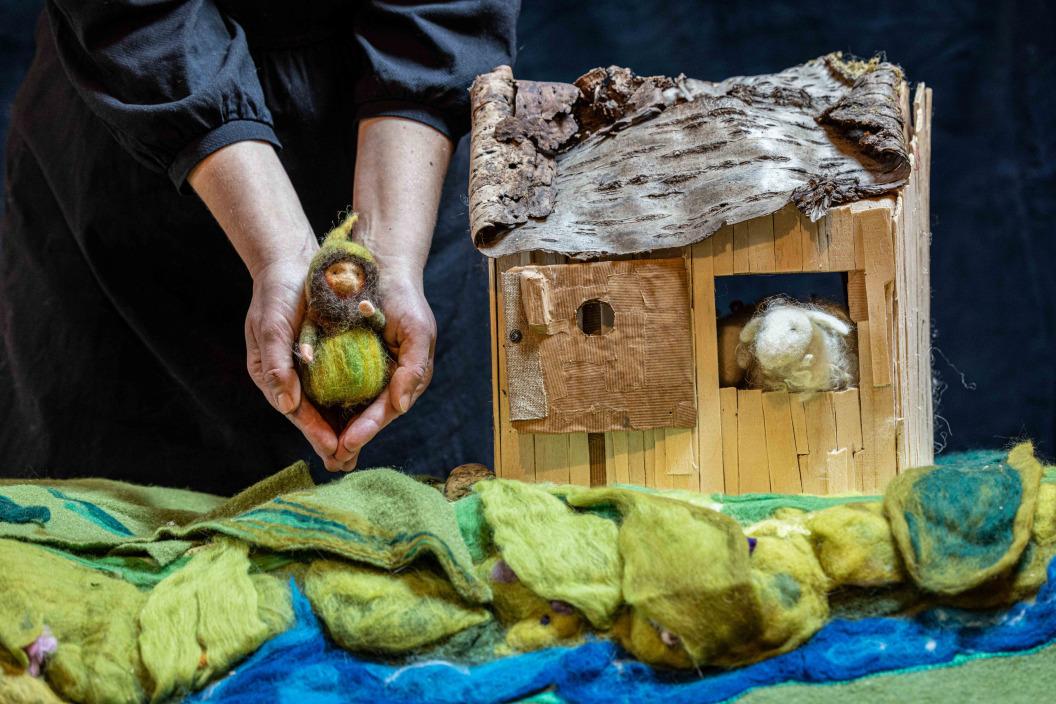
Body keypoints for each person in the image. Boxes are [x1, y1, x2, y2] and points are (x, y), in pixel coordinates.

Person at [0, 1, 519, 494]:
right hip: (142, 131)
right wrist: (278, 255)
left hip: (406, 163)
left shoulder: (368, 293)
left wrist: (392, 256)